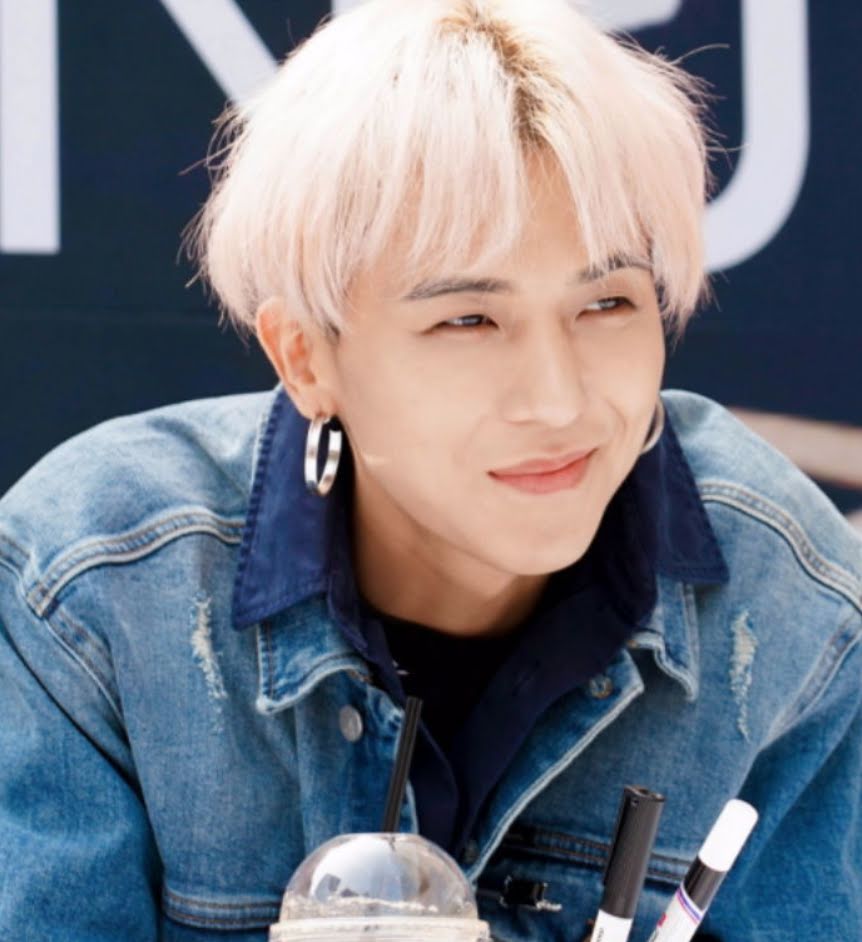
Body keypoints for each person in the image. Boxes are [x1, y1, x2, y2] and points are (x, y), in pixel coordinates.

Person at [0, 0, 860, 939]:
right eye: (468, 319)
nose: (558, 401)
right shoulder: (92, 595)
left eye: (608, 303)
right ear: (304, 358)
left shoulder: (791, 606)